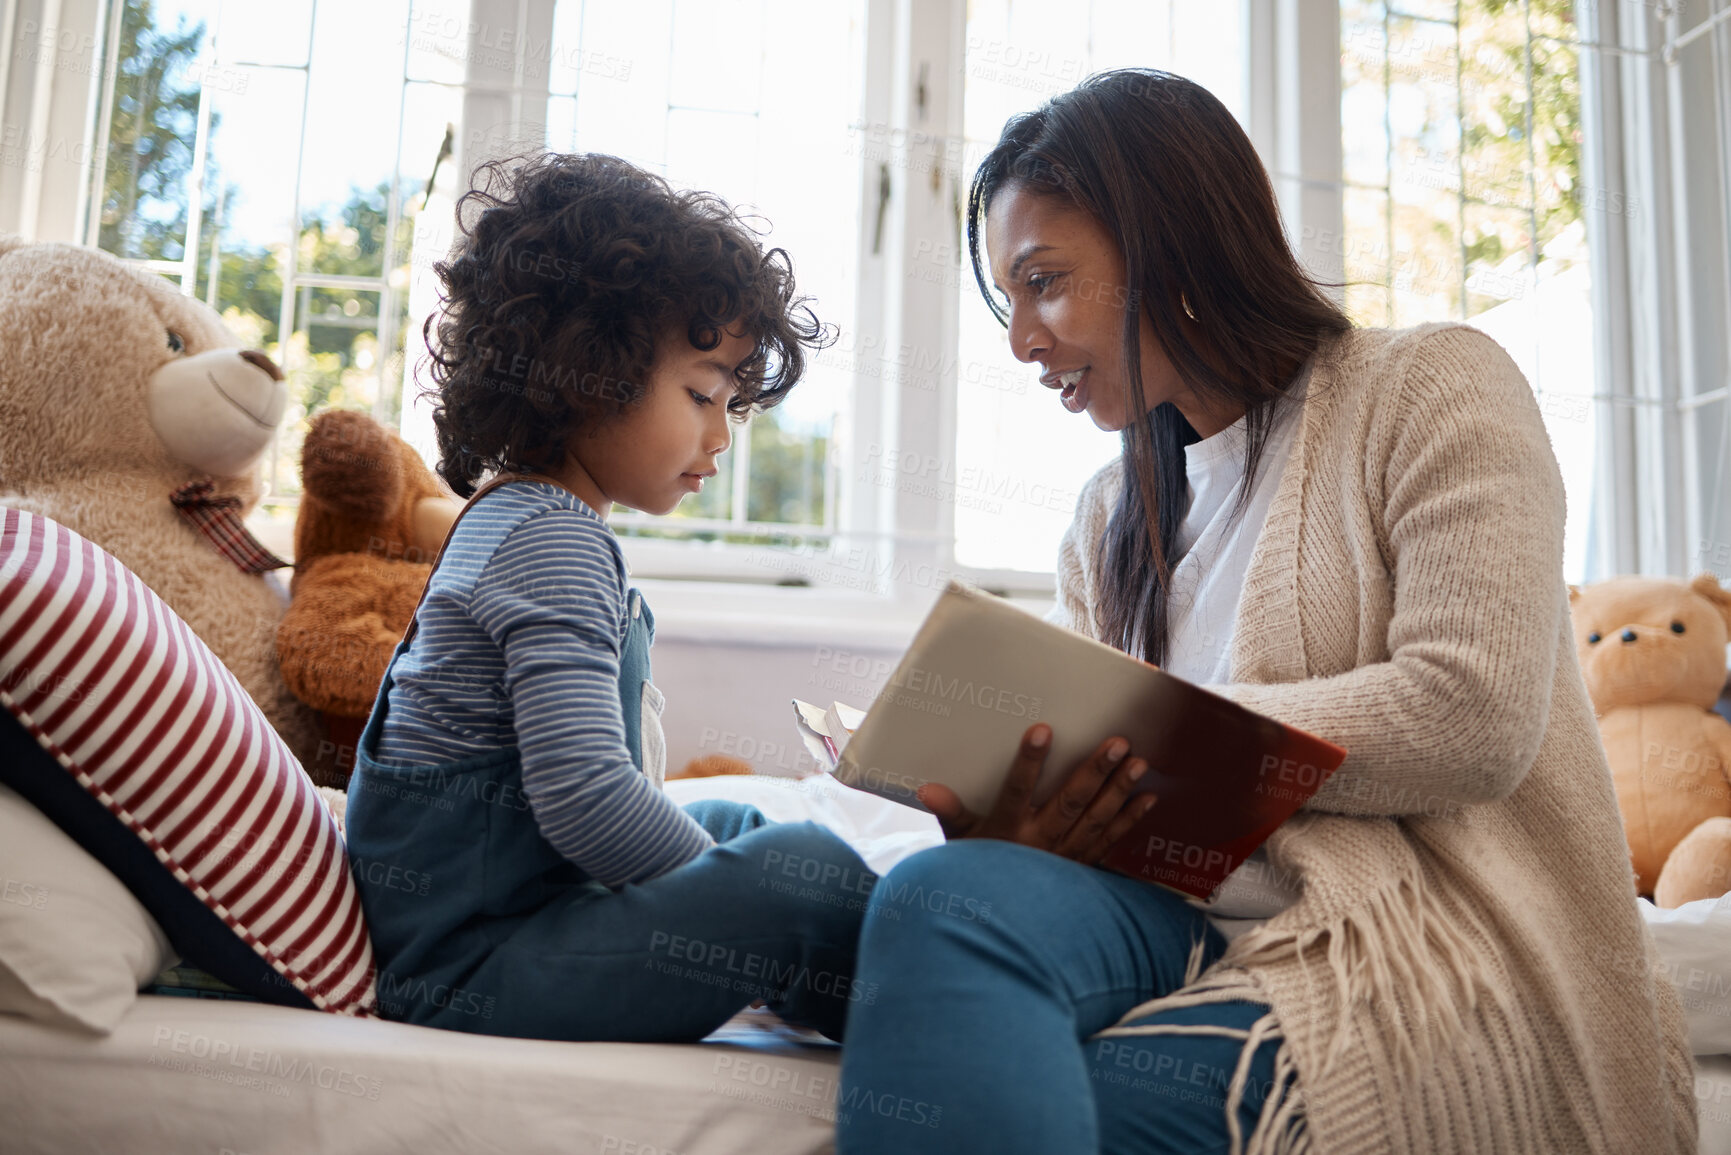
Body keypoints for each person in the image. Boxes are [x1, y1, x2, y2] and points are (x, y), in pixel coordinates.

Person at [836, 69, 1694, 1154]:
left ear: (1170, 242)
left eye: (1045, 281)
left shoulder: (1433, 386)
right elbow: (1116, 801)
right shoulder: (1109, 517)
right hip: (1169, 922)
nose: (1021, 339)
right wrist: (1029, 816)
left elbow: (1472, 714)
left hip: (1400, 939)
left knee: (1063, 1103)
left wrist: (1158, 729)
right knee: (935, 894)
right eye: (1009, 297)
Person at [342, 152, 875, 1043]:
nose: (720, 435)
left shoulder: (515, 518)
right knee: (794, 869)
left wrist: (723, 878)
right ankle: (917, 999)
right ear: (582, 368)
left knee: (745, 820)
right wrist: (736, 894)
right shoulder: (551, 539)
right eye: (702, 393)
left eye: (733, 406)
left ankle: (821, 976)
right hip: (473, 962)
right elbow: (588, 800)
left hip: (497, 922)